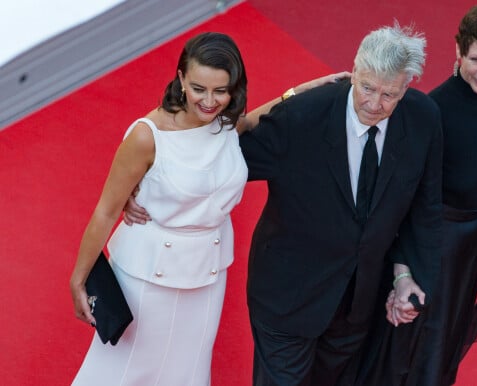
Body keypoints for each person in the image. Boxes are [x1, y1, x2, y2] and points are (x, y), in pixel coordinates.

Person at [125, 22, 443, 386]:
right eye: (367, 87)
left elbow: (425, 206)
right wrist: (146, 177)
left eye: (389, 95)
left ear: (407, 86)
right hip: (286, 299)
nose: (374, 103)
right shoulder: (302, 117)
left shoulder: (423, 119)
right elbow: (216, 158)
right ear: (354, 69)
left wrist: (408, 275)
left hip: (358, 304)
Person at [348, 5, 477, 386]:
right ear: (458, 51)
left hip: (469, 244)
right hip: (429, 241)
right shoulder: (433, 110)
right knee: (406, 347)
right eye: (476, 58)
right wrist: (402, 272)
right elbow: (405, 198)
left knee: (442, 345)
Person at [68, 32, 250, 385]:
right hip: (147, 279)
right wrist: (78, 279)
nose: (210, 101)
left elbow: (253, 121)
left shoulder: (226, 121)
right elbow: (106, 210)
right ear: (181, 78)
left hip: (210, 275)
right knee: (123, 372)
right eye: (199, 88)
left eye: (221, 91)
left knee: (189, 372)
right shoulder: (146, 136)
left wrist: (298, 94)